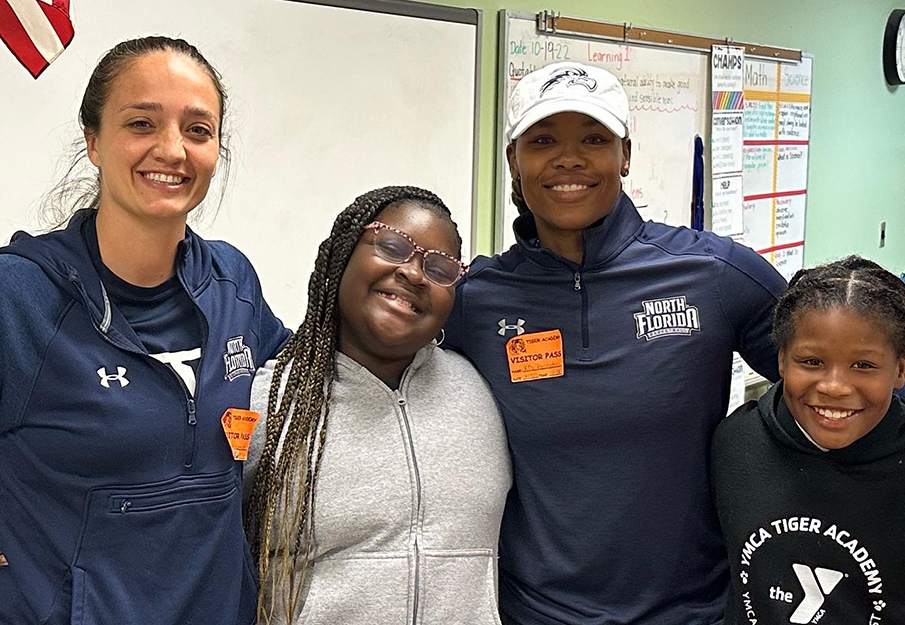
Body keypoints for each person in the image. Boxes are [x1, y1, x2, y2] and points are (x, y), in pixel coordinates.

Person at [442, 61, 788, 624]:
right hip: (535, 613)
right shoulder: (475, 301)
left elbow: (835, 377)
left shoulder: (711, 274)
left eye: (594, 139)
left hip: (692, 612)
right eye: (544, 140)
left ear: (624, 155)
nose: (569, 159)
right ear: (514, 160)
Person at [0, 37, 289, 624]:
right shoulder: (20, 296)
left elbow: (308, 373)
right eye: (141, 122)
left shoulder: (232, 280)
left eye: (198, 130)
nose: (172, 149)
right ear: (93, 142)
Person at [244, 186, 511, 625]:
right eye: (392, 246)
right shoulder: (270, 403)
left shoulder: (481, 390)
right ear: (344, 254)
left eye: (441, 268)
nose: (414, 273)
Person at [713, 256, 905, 624]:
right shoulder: (735, 444)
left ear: (899, 369)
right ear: (781, 360)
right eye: (812, 361)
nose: (834, 386)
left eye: (863, 365)